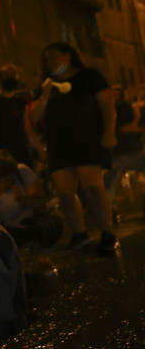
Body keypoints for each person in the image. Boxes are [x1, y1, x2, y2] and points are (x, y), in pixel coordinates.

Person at [29, 42, 118, 255]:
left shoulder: (90, 77)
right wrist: (45, 95)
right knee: (65, 192)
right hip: (59, 144)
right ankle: (80, 234)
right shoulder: (46, 85)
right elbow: (33, 117)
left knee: (93, 187)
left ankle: (107, 232)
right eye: (46, 59)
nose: (49, 62)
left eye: (53, 57)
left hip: (88, 140)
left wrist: (108, 133)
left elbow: (107, 105)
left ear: (68, 56)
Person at [0, 150, 62, 248]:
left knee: (50, 224)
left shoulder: (22, 172)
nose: (2, 185)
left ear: (13, 173)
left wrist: (22, 199)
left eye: (7, 180)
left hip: (27, 225)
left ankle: (36, 246)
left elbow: (41, 203)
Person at [0, 64, 46, 166]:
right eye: (6, 75)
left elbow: (28, 130)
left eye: (12, 74)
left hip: (20, 154)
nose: (10, 77)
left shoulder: (21, 103)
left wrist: (41, 152)